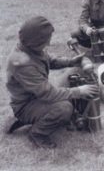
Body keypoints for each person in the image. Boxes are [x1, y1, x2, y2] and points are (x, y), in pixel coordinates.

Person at [6, 16, 99, 149]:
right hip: (26, 106)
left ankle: (67, 115)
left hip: (38, 96)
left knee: (74, 72)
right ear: (35, 40)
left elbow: (50, 60)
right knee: (64, 108)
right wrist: (79, 91)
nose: (48, 44)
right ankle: (37, 134)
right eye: (46, 40)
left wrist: (72, 61)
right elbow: (47, 93)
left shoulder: (30, 47)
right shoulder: (22, 63)